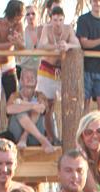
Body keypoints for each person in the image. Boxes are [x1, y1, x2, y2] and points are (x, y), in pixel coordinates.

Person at [36, 4, 79, 143]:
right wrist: (56, 47)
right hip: (46, 70)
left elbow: (77, 44)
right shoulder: (46, 29)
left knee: (68, 104)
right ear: (51, 19)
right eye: (55, 20)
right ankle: (51, 137)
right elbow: (41, 46)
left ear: (64, 19)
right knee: (47, 106)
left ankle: (69, 138)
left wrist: (67, 46)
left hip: (61, 72)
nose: (58, 23)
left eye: (60, 20)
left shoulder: (68, 29)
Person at [0, 1, 25, 123]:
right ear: (15, 13)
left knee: (13, 98)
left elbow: (22, 47)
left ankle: (12, 129)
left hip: (9, 66)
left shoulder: (19, 25)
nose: (23, 16)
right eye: (21, 14)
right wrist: (12, 43)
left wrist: (18, 42)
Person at [5, 66, 54, 150]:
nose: (30, 79)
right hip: (16, 135)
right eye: (27, 77)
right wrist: (32, 106)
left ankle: (24, 137)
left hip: (34, 138)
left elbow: (42, 108)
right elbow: (9, 109)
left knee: (35, 111)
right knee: (20, 111)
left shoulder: (40, 95)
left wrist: (24, 104)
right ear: (21, 81)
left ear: (36, 82)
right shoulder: (15, 95)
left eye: (32, 77)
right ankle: (41, 139)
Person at [76, 109, 100, 191]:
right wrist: (84, 161)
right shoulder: (78, 161)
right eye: (88, 132)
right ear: (82, 136)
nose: (95, 136)